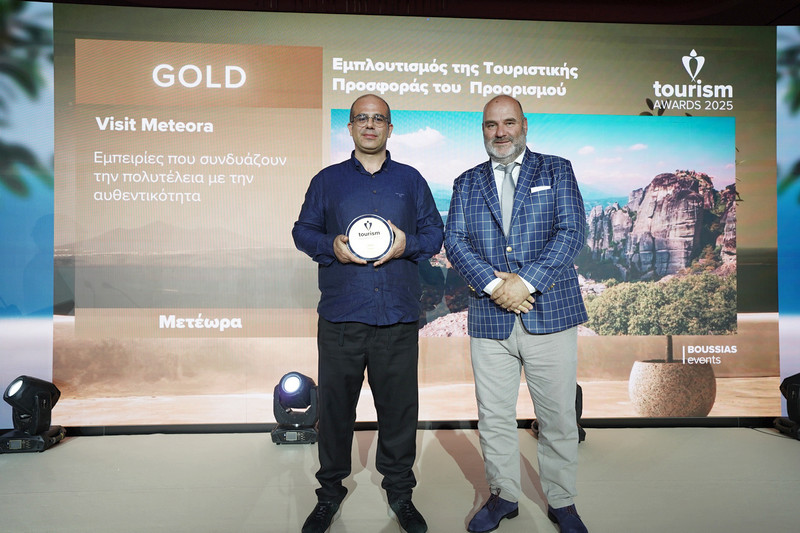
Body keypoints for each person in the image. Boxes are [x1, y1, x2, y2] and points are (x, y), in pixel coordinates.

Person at [292, 94, 444, 533]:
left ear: (390, 128)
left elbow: (434, 233)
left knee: (399, 412)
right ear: (351, 127)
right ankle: (329, 494)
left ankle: (400, 493)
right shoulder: (327, 181)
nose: (371, 125)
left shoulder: (411, 180)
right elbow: (302, 231)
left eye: (379, 119)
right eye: (362, 118)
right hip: (341, 316)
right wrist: (330, 246)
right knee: (335, 412)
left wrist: (408, 244)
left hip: (397, 317)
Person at [444, 95, 589, 533]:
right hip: (490, 318)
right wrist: (495, 286)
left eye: (509, 123)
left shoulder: (556, 169)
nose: (500, 132)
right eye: (491, 125)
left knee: (558, 417)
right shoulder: (466, 182)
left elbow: (572, 231)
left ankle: (562, 501)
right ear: (483, 130)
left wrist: (524, 282)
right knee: (493, 417)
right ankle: (504, 494)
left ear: (524, 125)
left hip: (551, 313)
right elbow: (455, 242)